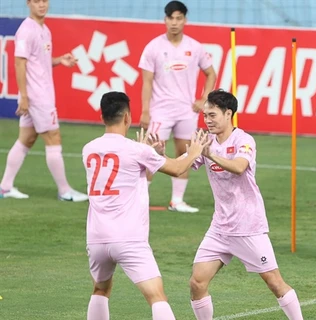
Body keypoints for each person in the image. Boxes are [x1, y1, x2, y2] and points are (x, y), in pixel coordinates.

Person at [82, 91, 209, 320]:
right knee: (157, 296)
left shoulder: (89, 149)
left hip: (96, 237)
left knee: (100, 289)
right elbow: (177, 169)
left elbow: (128, 173)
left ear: (103, 117)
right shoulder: (136, 150)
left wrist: (152, 154)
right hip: (128, 238)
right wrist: (193, 152)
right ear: (128, 118)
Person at [188, 89, 303, 320]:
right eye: (205, 115)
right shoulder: (206, 141)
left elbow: (239, 166)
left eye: (212, 115)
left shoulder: (244, 140)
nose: (207, 120)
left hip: (248, 226)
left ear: (228, 113)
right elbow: (182, 165)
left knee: (274, 283)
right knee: (197, 282)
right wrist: (158, 155)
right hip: (220, 228)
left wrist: (211, 155)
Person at [0, 0, 88, 202]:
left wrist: (59, 61)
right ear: (28, 3)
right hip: (38, 96)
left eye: (44, 1)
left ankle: (5, 186)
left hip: (38, 95)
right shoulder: (26, 30)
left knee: (26, 139)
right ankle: (65, 191)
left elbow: (37, 61)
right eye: (37, 1)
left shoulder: (44, 29)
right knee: (53, 138)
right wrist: (23, 96)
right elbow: (19, 63)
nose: (42, 5)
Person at [138, 0, 217, 213]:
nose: (174, 22)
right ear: (165, 20)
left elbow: (211, 73)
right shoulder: (153, 47)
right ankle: (139, 200)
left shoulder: (195, 47)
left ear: (185, 20)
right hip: (160, 110)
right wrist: (145, 110)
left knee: (184, 153)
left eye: (178, 18)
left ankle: (177, 201)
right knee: (151, 153)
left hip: (186, 111)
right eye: (171, 18)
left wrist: (203, 99)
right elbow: (146, 81)